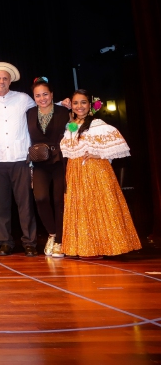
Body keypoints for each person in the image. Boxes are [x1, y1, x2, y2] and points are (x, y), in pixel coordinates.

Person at [60, 89, 141, 258]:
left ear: (90, 105)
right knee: (83, 208)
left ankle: (111, 246)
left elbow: (118, 148)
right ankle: (87, 247)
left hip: (95, 169)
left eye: (83, 102)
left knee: (102, 205)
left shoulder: (98, 125)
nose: (79, 106)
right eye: (75, 103)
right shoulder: (72, 125)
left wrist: (98, 154)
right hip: (76, 171)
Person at [0, 62, 39, 257]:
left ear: (10, 80)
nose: (2, 81)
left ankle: (29, 242)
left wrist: (61, 104)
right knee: (1, 205)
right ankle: (5, 242)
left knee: (25, 204)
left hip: (20, 158)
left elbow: (42, 107)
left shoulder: (23, 99)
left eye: (5, 78)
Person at [26, 77, 71, 257]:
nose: (42, 98)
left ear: (52, 95)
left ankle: (60, 241)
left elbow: (73, 128)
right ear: (34, 97)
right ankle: (52, 233)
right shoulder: (29, 113)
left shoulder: (63, 111)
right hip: (39, 162)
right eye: (38, 95)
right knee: (41, 198)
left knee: (59, 200)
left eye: (45, 94)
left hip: (60, 160)